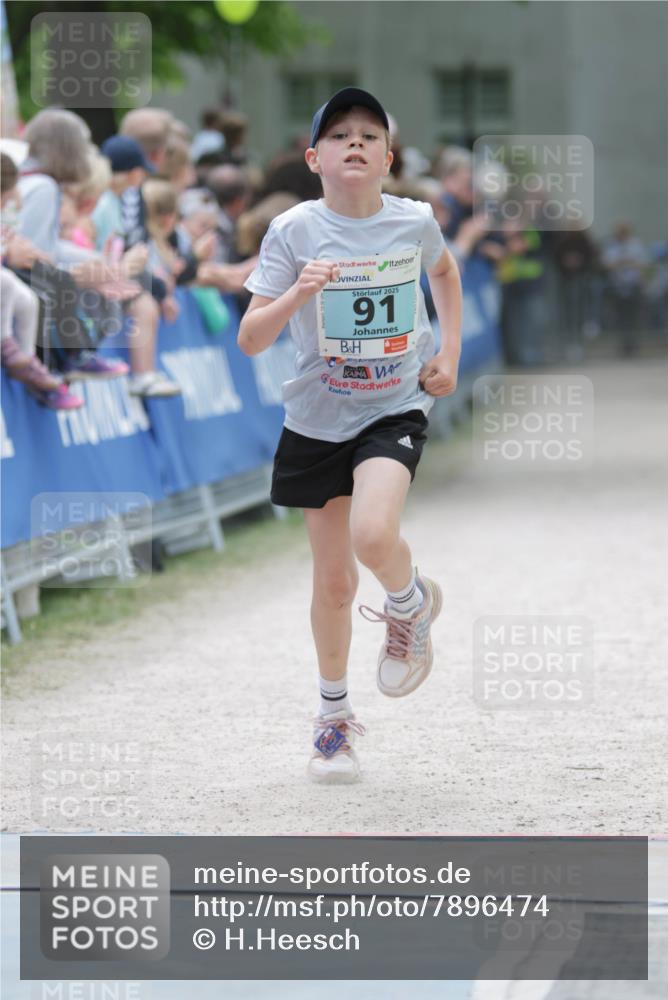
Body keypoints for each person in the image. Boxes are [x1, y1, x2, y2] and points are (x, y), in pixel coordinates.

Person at [239, 87, 462, 784]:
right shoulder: (294, 232)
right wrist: (298, 295)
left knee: (373, 535)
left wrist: (447, 353)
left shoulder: (414, 220)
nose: (355, 143)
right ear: (315, 159)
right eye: (339, 136)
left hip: (394, 405)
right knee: (333, 581)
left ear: (389, 159)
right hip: (316, 417)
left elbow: (445, 274)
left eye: (369, 134)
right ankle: (332, 723)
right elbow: (251, 338)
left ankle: (407, 603)